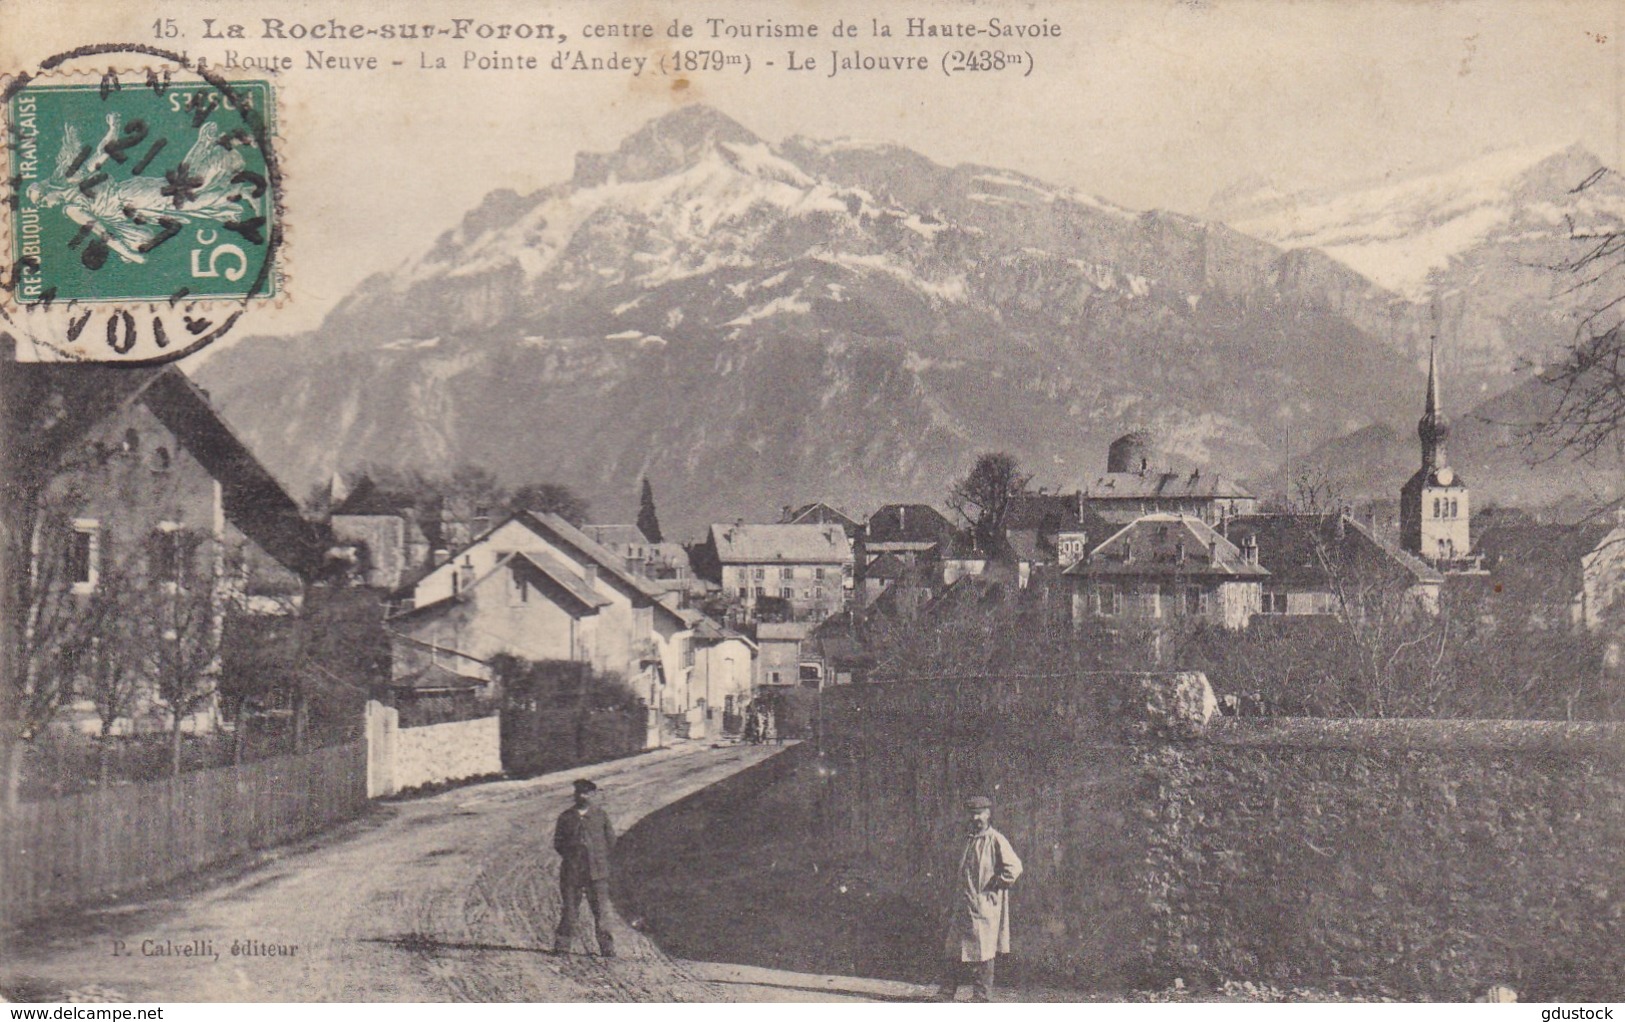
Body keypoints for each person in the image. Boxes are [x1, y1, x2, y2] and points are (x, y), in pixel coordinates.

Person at [934, 795, 1022, 1002]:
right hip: (963, 904)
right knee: (954, 948)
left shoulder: (996, 839)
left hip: (983, 906)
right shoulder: (966, 840)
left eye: (980, 813)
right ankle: (946, 992)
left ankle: (981, 997)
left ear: (988, 814)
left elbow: (1014, 867)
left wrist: (996, 884)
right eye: (972, 814)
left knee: (983, 951)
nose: (976, 818)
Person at [553, 778, 617, 957]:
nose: (581, 796)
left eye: (586, 793)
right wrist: (573, 857)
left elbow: (611, 842)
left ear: (593, 795)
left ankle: (607, 948)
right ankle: (562, 947)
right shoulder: (566, 817)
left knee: (602, 912)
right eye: (578, 792)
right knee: (570, 911)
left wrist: (601, 863)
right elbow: (558, 844)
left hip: (597, 874)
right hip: (572, 874)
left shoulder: (600, 815)